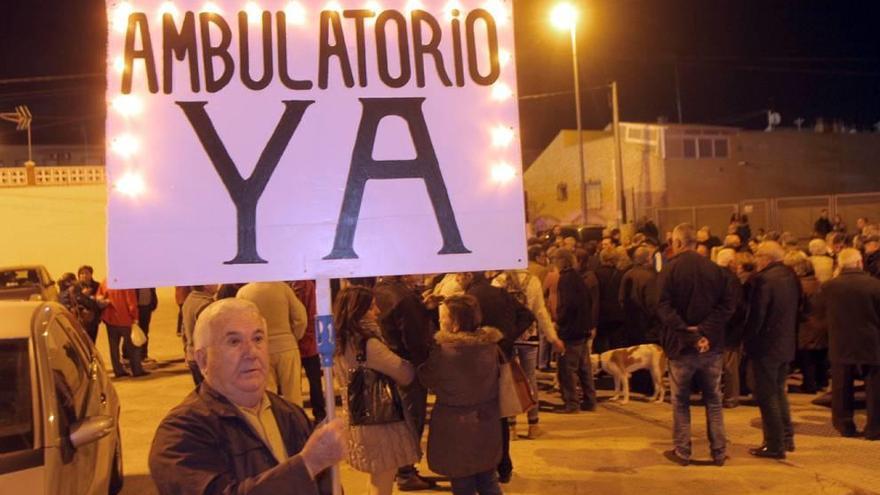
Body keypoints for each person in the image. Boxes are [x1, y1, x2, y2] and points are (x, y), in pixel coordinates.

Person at [148, 298, 346, 494]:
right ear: (202, 360)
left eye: (258, 339)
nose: (251, 352)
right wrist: (307, 464)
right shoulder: (179, 435)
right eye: (234, 342)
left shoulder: (290, 414)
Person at [656, 223, 734, 467]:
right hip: (711, 346)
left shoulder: (669, 271)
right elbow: (727, 306)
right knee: (714, 400)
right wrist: (705, 332)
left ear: (678, 243)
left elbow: (662, 307)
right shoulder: (715, 270)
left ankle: (683, 451)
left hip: (681, 348)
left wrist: (689, 332)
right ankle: (719, 452)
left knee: (681, 402)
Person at [332, 286, 421, 495]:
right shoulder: (368, 344)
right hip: (380, 423)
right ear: (358, 310)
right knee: (383, 481)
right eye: (371, 307)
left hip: (357, 418)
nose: (378, 311)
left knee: (377, 479)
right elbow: (405, 373)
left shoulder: (339, 341)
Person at [418, 294, 504, 495]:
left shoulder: (444, 352)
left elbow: (427, 378)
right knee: (488, 478)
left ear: (455, 322)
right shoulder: (491, 347)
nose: (440, 320)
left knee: (462, 482)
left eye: (444, 316)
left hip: (455, 425)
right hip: (487, 420)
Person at [456, 271, 534, 484]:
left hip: (475, 362)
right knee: (499, 416)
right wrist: (507, 338)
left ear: (469, 275)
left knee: (477, 417)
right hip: (502, 358)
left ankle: (481, 467)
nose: (456, 279)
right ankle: (504, 466)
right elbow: (528, 316)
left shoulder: (468, 299)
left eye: (459, 275)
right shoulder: (501, 294)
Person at [372, 276, 436, 491]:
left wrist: (424, 308)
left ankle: (397, 468)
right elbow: (414, 337)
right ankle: (406, 472)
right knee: (412, 419)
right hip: (408, 365)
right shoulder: (405, 298)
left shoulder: (379, 290)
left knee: (398, 419)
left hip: (388, 362)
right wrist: (424, 366)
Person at [743, 241, 801, 459]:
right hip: (786, 343)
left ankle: (774, 445)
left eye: (758, 255)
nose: (756, 260)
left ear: (766, 258)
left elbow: (756, 316)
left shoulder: (763, 280)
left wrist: (746, 341)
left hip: (766, 346)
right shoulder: (790, 276)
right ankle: (786, 438)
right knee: (779, 392)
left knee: (767, 396)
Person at [492, 269, 564, 439]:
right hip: (529, 337)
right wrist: (553, 338)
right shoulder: (533, 281)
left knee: (508, 380)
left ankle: (511, 427)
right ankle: (533, 424)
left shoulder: (498, 281)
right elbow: (540, 312)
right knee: (530, 379)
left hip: (507, 338)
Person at [818, 248, 880, 440]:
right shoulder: (875, 285)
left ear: (840, 265)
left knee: (841, 386)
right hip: (872, 341)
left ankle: (845, 425)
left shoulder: (829, 286)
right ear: (860, 263)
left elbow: (817, 314)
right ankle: (875, 428)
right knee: (875, 386)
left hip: (840, 341)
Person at [237, 281, 308, 406]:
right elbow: (301, 318)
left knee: (268, 395)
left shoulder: (244, 293)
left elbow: (240, 323)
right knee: (293, 394)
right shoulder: (283, 288)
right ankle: (296, 424)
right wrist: (293, 336)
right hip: (287, 347)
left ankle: (272, 424)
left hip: (260, 349)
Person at [552, 248, 597, 413]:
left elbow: (567, 305)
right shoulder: (579, 277)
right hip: (582, 329)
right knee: (584, 368)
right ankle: (590, 401)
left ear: (561, 261)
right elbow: (589, 301)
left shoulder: (565, 279)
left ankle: (572, 404)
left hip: (570, 331)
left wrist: (559, 321)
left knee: (567, 369)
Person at [785, 252, 828, 394]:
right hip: (822, 324)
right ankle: (822, 381)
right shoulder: (821, 284)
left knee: (807, 357)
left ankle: (809, 385)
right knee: (820, 355)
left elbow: (798, 307)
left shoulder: (800, 286)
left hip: (806, 325)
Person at [715, 249, 747, 409]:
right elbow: (736, 306)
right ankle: (731, 398)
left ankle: (715, 395)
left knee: (717, 365)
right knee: (730, 366)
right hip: (730, 329)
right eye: (735, 261)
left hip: (715, 328)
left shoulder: (713, 277)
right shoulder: (732, 279)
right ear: (730, 263)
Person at [97, 281, 147, 378]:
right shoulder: (126, 283)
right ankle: (137, 370)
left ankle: (118, 371)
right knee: (133, 346)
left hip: (110, 320)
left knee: (114, 348)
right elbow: (131, 303)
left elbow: (98, 297)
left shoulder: (105, 282)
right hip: (125, 319)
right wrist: (135, 318)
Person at [292, 280, 326, 423]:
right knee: (314, 380)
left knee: (294, 383)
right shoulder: (307, 285)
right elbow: (313, 312)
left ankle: (298, 417)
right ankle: (319, 414)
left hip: (293, 340)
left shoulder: (283, 286)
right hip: (308, 341)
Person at [618, 247, 658, 346]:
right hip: (647, 328)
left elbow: (621, 299)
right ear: (648, 259)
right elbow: (653, 304)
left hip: (630, 325)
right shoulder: (650, 277)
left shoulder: (627, 274)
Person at [182, 284, 219, 386]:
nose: (217, 284)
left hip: (192, 355)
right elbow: (212, 334)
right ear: (206, 285)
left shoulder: (189, 299)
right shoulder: (205, 306)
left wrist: (186, 351)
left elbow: (184, 330)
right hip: (204, 358)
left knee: (201, 393)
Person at [594, 247, 625, 352]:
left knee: (600, 345)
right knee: (616, 346)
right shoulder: (621, 275)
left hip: (600, 314)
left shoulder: (595, 274)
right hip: (617, 315)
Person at [76, 265, 103, 342]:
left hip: (94, 319)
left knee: (92, 341)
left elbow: (99, 303)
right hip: (81, 320)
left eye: (87, 273)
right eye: (82, 273)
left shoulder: (97, 286)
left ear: (91, 274)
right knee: (82, 342)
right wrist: (84, 296)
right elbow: (75, 301)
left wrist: (92, 299)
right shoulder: (76, 286)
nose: (84, 275)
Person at [135, 287, 158, 361]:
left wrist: (153, 303)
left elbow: (153, 290)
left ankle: (143, 355)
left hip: (146, 307)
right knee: (133, 332)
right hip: (136, 308)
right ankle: (127, 355)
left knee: (144, 332)